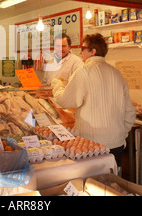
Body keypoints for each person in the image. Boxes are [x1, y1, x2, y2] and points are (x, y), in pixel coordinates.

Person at [51, 33, 136, 167]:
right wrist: (119, 133)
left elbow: (64, 101)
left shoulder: (83, 71)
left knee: (91, 184)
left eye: (83, 48)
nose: (80, 52)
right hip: (116, 144)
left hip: (90, 146)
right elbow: (130, 113)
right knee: (112, 183)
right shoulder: (117, 73)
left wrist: (57, 85)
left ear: (93, 51)